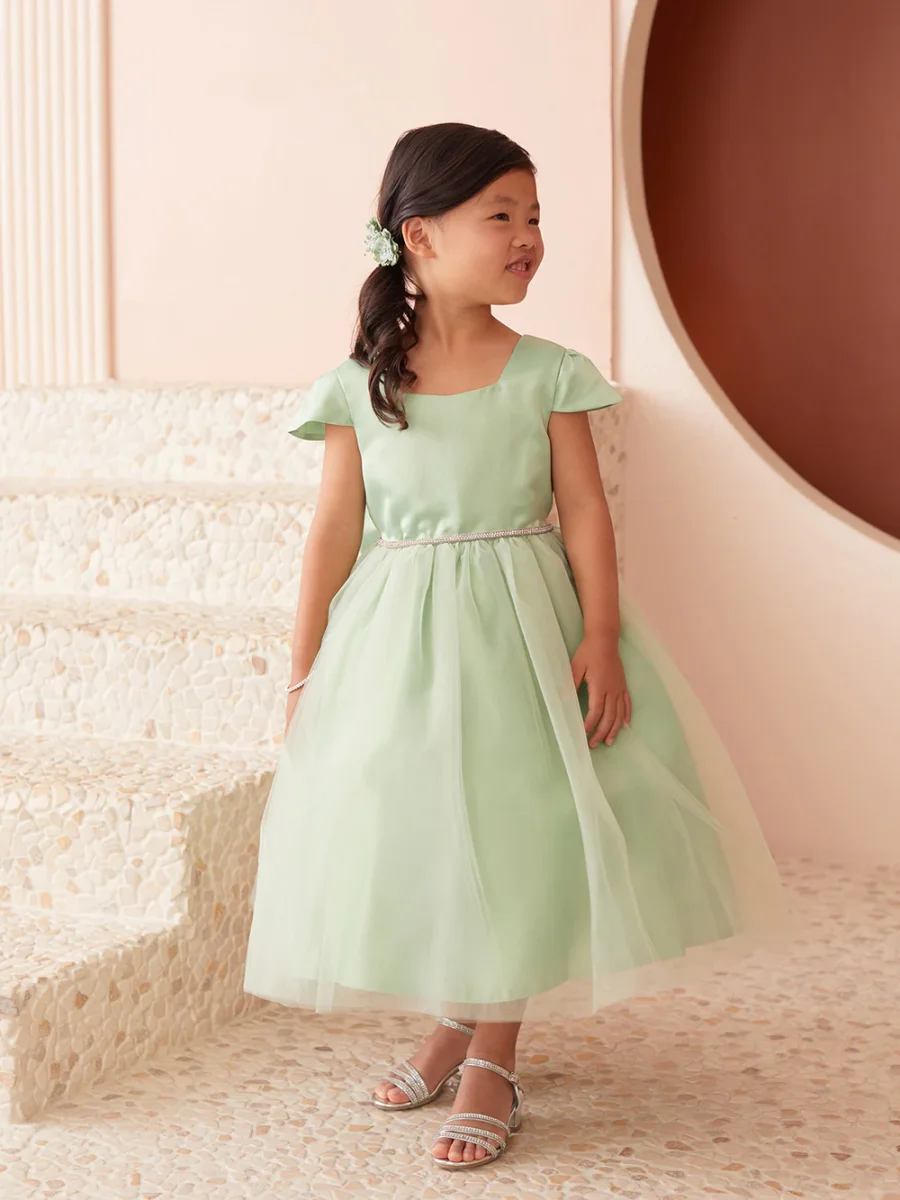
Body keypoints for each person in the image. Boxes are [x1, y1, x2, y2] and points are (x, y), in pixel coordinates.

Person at [242, 121, 793, 1172]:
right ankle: (455, 1018)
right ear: (420, 235)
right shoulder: (361, 384)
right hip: (401, 642)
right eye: (502, 215)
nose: (529, 236)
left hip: (525, 634)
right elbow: (334, 532)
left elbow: (583, 509)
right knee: (431, 832)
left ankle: (494, 1054)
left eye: (536, 216)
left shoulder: (547, 372)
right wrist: (306, 670)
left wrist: (601, 634)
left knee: (518, 832)